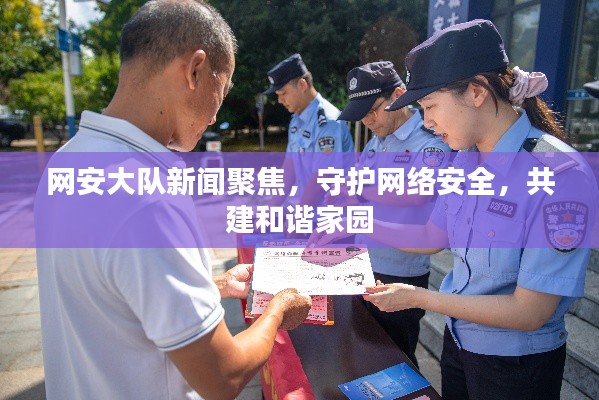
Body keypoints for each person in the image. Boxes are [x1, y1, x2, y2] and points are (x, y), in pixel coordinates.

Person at [35, 2, 311, 400]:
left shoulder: (69, 159)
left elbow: (107, 293)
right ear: (195, 70)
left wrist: (210, 286)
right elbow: (223, 377)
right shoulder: (149, 198)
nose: (214, 116)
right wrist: (279, 309)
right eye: (222, 89)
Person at [311, 20, 597, 400]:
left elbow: (530, 312)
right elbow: (432, 235)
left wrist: (419, 298)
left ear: (476, 92)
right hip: (459, 345)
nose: (427, 122)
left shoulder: (559, 175)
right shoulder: (465, 160)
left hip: (515, 366)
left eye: (430, 106)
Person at [335, 61, 450, 367]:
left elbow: (418, 190)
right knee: (364, 351)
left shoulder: (430, 140)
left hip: (400, 271)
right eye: (361, 115)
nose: (368, 120)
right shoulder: (377, 140)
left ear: (398, 95)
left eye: (372, 111)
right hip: (363, 260)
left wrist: (361, 189)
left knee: (396, 359)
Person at [264, 53, 354, 208]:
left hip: (332, 214)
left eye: (283, 93)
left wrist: (300, 216)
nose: (280, 100)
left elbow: (322, 177)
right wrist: (268, 211)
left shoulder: (328, 122)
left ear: (302, 85)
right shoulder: (297, 120)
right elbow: (289, 170)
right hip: (308, 210)